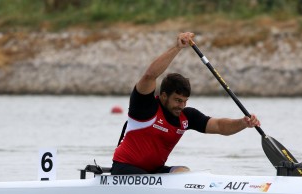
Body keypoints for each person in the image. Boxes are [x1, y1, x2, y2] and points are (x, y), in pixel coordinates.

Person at [111, 32, 260, 175]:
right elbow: (150, 75)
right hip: (125, 169)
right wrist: (177, 48)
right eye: (177, 100)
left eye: (184, 101)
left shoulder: (186, 117)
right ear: (163, 96)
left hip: (153, 173)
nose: (181, 106)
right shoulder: (145, 106)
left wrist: (243, 123)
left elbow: (220, 126)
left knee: (183, 172)